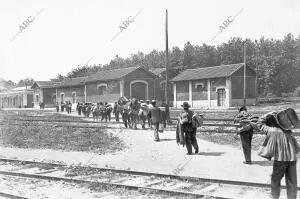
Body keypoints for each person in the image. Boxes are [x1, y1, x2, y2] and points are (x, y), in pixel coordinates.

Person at [256, 110, 299, 199]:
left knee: (275, 180)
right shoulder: (289, 132)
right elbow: (297, 148)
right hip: (293, 160)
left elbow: (259, 124)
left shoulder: (273, 131)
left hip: (280, 160)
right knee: (292, 182)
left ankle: (274, 197)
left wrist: (268, 114)